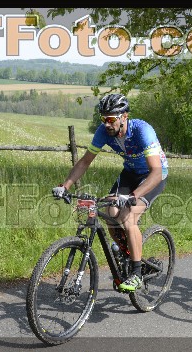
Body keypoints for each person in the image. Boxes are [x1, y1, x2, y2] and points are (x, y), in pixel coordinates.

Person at [52, 93, 169, 292]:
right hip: (130, 173)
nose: (106, 124)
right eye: (103, 119)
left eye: (111, 119)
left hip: (154, 175)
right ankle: (126, 251)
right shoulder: (103, 132)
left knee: (129, 217)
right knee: (110, 212)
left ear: (124, 117)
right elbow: (85, 161)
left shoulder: (142, 131)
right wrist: (66, 186)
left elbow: (156, 172)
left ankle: (137, 273)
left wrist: (133, 196)